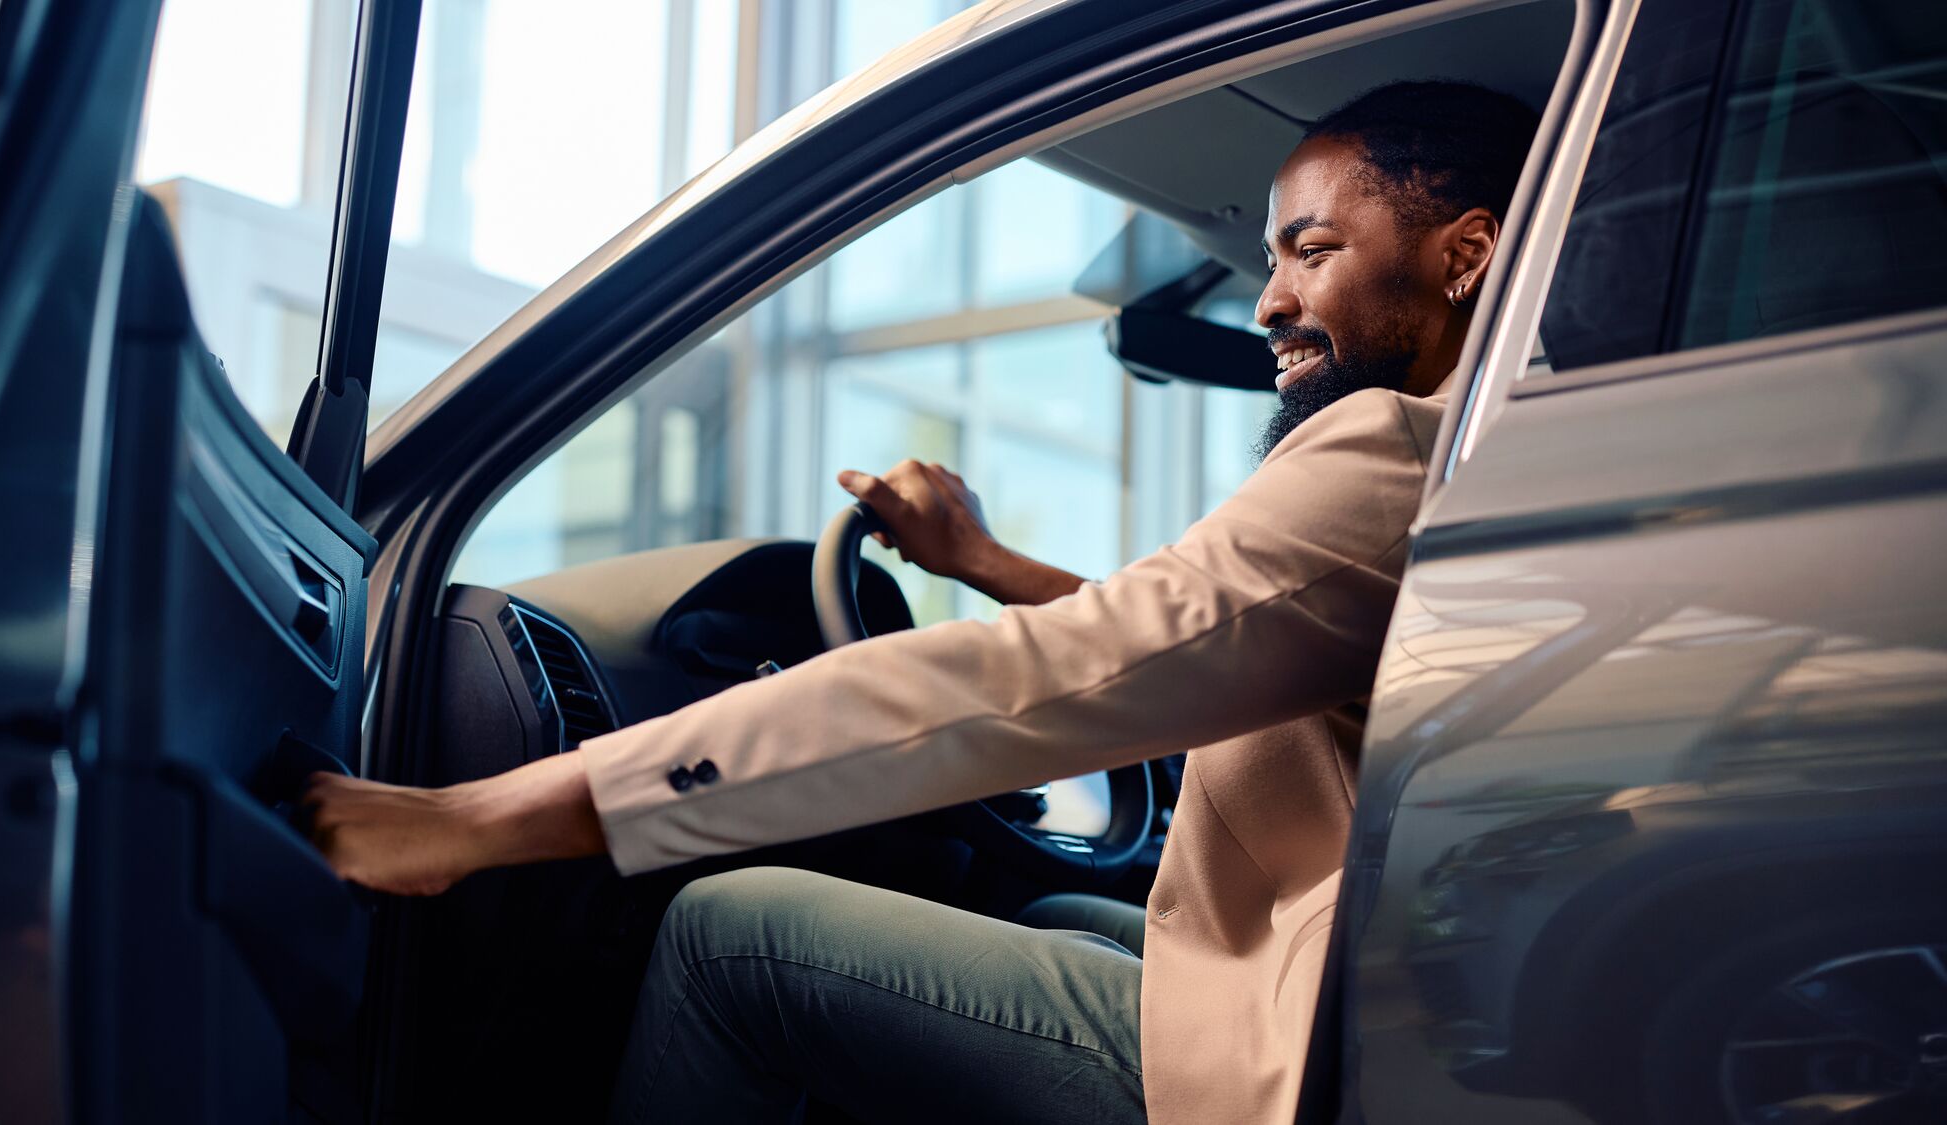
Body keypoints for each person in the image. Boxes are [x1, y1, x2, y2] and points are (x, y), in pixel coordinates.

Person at [306, 81, 1539, 1124]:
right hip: (1380, 1008)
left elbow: (1038, 681)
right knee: (1049, 907)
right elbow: (1222, 631)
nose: (1267, 300)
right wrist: (987, 566)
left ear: (1464, 254)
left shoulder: (1393, 446)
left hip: (1312, 1068)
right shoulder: (1497, 462)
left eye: (1309, 252)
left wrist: (475, 816)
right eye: (1271, 259)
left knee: (732, 934)